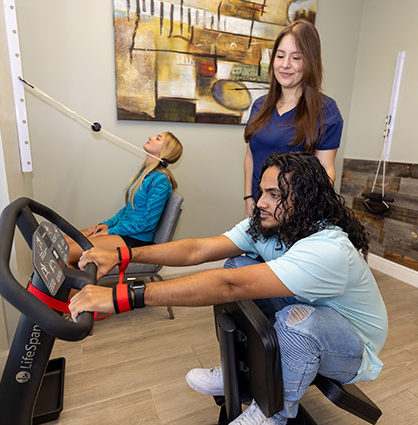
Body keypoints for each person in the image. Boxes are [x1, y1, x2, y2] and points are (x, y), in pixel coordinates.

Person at [70, 152, 388, 425]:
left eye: (275, 195)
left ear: (306, 201)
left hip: (352, 345)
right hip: (306, 309)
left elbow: (228, 288)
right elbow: (197, 250)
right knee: (238, 265)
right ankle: (239, 371)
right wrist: (124, 255)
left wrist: (123, 295)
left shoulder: (328, 248)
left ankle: (273, 414)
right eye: (261, 191)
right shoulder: (269, 226)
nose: (260, 202)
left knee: (298, 320)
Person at [244, 19, 343, 217]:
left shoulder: (326, 111)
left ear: (310, 62)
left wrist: (304, 210)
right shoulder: (259, 106)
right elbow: (250, 156)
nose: (285, 65)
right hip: (259, 208)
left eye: (296, 58)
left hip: (297, 215)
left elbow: (326, 170)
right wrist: (248, 198)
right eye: (280, 56)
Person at [66, 132, 183, 267]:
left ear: (165, 150)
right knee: (62, 243)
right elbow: (129, 208)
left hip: (134, 239)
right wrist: (107, 224)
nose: (150, 137)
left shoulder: (160, 181)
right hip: (122, 230)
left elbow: (147, 223)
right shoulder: (145, 173)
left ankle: (79, 286)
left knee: (67, 252)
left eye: (158, 138)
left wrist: (110, 232)